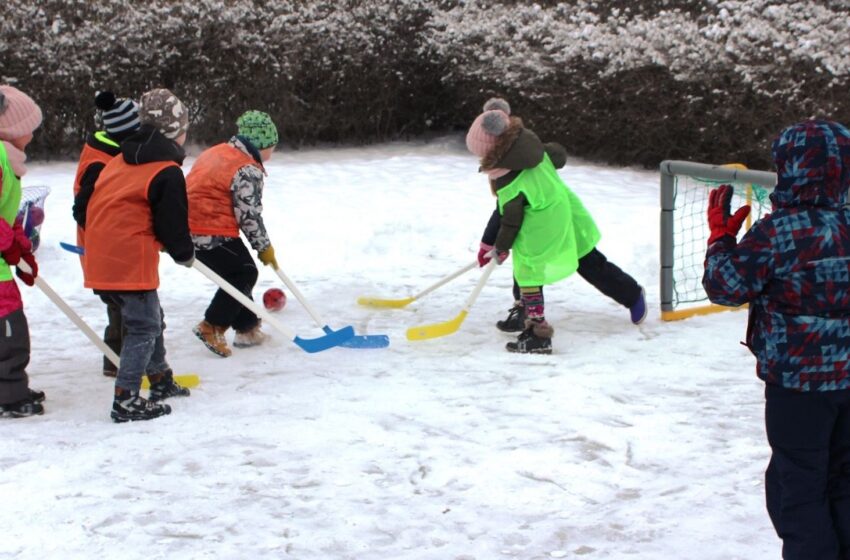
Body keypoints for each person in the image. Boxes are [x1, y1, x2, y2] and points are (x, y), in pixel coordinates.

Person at [703, 120, 850, 560]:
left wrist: (721, 240)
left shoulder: (781, 232)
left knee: (798, 486)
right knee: (842, 477)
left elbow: (726, 286)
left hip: (798, 387)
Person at [466, 98, 646, 354]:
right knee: (536, 263)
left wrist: (501, 247)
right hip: (559, 213)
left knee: (543, 266)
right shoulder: (526, 148)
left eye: (482, 155)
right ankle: (525, 310)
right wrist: (489, 242)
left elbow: (510, 219)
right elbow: (557, 155)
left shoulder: (510, 177)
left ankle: (629, 295)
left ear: (494, 151)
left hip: (552, 224)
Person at [84, 88, 195, 423]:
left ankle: (160, 379)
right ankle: (126, 398)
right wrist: (184, 253)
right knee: (144, 326)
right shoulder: (165, 170)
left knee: (150, 317)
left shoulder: (121, 158)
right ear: (176, 132)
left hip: (102, 253)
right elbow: (171, 222)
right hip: (128, 257)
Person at [186, 110, 279, 358]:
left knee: (236, 272)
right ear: (261, 145)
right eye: (272, 146)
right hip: (210, 228)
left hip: (188, 227)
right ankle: (211, 326)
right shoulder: (247, 169)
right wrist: (263, 247)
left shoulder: (217, 152)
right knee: (244, 272)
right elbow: (248, 214)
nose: (272, 151)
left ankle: (247, 328)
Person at [72, 90, 141, 377]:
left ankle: (115, 361)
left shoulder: (110, 154)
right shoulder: (100, 164)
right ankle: (131, 363)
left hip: (111, 250)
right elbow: (83, 210)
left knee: (122, 308)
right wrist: (114, 234)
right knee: (133, 310)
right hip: (105, 252)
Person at [0, 85, 44, 417]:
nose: (33, 133)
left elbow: (7, 214)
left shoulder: (8, 161)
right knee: (9, 334)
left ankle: (12, 388)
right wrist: (11, 246)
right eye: (29, 126)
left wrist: (23, 250)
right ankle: (9, 397)